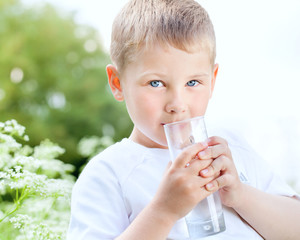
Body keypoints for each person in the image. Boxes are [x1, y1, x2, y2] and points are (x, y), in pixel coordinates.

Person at [67, 0, 300, 239]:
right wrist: (164, 211)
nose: (177, 104)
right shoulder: (108, 174)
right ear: (117, 83)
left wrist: (240, 194)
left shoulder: (230, 149)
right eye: (155, 83)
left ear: (212, 80)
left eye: (192, 83)